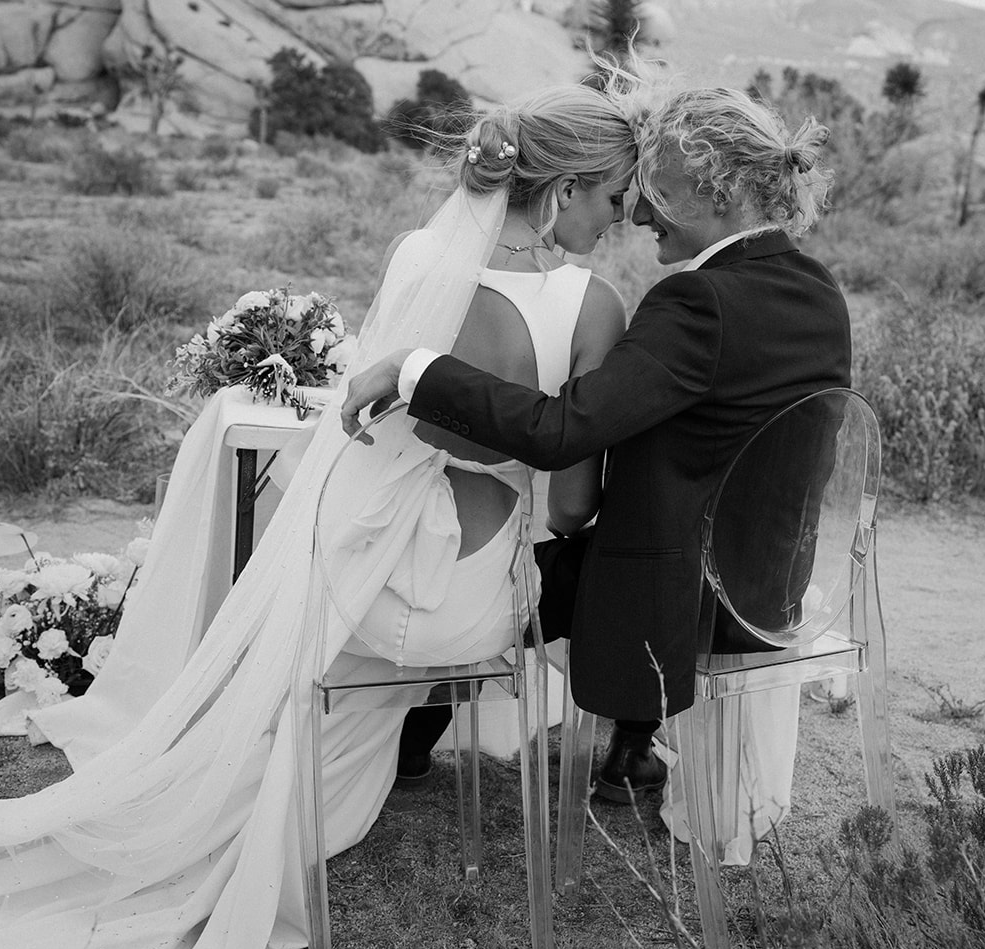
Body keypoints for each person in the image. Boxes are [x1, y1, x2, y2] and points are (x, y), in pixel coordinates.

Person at [0, 83, 639, 949]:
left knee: (303, 644)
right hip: (470, 611)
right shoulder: (597, 308)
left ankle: (275, 762)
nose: (619, 223)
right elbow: (570, 507)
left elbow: (366, 439)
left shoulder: (425, 261)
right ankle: (359, 757)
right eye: (612, 201)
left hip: (365, 586)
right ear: (563, 191)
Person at [342, 86, 851, 824]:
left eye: (658, 195)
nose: (638, 215)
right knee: (579, 538)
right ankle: (627, 749)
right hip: (766, 584)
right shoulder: (816, 289)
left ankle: (407, 742)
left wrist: (414, 370)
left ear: (717, 194)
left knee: (497, 579)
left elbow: (559, 432)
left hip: (683, 600)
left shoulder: (699, 302)